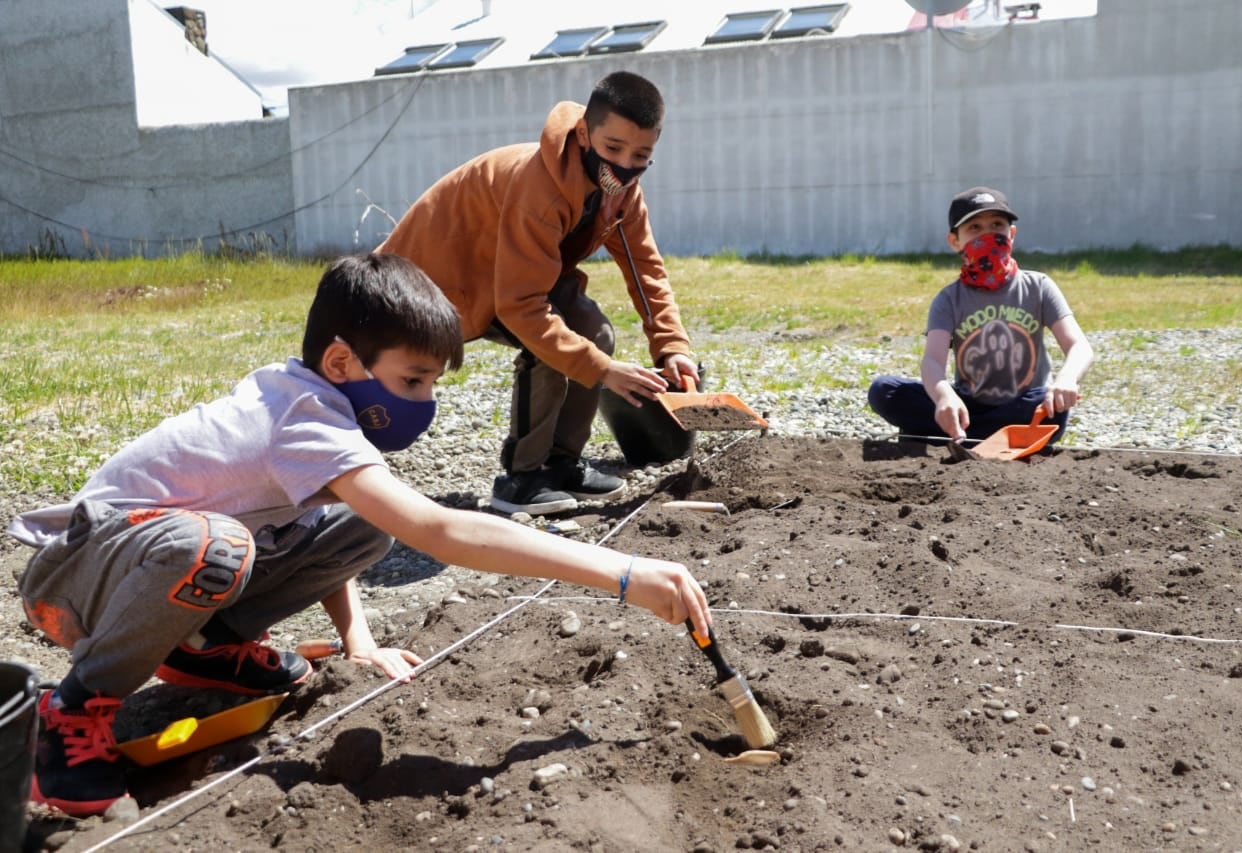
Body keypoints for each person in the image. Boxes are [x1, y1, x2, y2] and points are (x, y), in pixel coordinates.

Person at [5, 253, 712, 819]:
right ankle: (72, 710)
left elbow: (337, 525)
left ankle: (201, 645)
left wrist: (359, 640)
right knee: (217, 547)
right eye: (412, 380)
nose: (424, 403)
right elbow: (439, 531)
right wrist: (620, 572)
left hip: (141, 568)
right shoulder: (302, 418)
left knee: (362, 521)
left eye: (433, 383)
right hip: (74, 584)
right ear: (343, 362)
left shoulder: (321, 404)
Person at [376, 70, 698, 516]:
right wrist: (604, 373)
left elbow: (647, 272)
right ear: (584, 135)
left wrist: (671, 348)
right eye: (613, 149)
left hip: (512, 271)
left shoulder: (622, 193)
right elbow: (522, 308)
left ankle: (560, 463)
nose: (625, 166)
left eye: (641, 154)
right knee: (549, 343)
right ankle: (521, 479)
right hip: (437, 278)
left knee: (594, 331)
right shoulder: (540, 189)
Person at [868, 187, 1094, 447]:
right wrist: (944, 397)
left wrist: (1065, 379)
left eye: (996, 225)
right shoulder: (948, 300)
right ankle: (980, 433)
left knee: (1053, 408)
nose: (987, 235)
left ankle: (954, 436)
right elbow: (932, 360)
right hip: (966, 405)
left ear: (1012, 233)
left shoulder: (1039, 287)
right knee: (884, 390)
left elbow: (1079, 346)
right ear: (955, 241)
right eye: (974, 228)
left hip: (1024, 404)